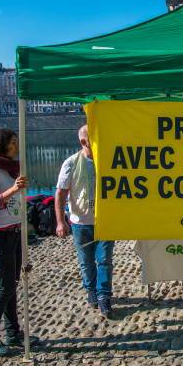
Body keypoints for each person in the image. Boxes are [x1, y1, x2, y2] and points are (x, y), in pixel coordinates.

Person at [0, 128, 39, 356]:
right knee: (5, 287)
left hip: (14, 231)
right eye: (12, 142)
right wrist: (13, 189)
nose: (16, 146)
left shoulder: (11, 167)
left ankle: (13, 332)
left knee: (12, 284)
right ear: (1, 144)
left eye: (17, 142)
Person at [55, 125, 114, 319]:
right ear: (84, 142)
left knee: (104, 260)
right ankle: (91, 290)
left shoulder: (108, 160)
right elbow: (61, 194)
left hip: (105, 221)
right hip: (80, 223)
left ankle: (104, 295)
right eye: (94, 138)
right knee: (86, 262)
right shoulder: (71, 163)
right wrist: (60, 222)